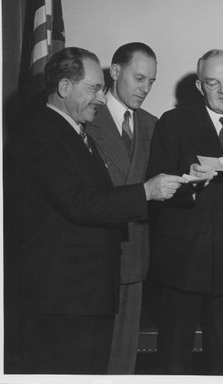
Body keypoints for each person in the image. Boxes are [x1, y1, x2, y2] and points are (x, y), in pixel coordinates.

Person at [6, 47, 187, 374]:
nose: (101, 99)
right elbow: (80, 202)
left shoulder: (72, 133)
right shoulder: (40, 135)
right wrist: (146, 191)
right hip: (62, 299)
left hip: (84, 292)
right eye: (93, 89)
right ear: (64, 88)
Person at [146, 49, 223, 374]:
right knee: (173, 362)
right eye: (213, 83)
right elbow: (154, 188)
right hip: (182, 266)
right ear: (200, 87)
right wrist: (189, 183)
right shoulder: (174, 123)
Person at [85, 42, 158, 374]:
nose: (144, 89)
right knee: (90, 359)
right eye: (139, 78)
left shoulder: (154, 125)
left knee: (123, 362)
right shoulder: (85, 118)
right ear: (114, 72)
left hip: (135, 257)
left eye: (151, 82)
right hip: (94, 256)